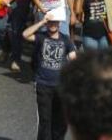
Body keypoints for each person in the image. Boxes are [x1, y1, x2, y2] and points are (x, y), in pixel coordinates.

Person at [23, 12, 77, 140]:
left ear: (59, 24)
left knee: (60, 122)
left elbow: (74, 57)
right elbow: (25, 34)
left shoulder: (65, 40)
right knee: (45, 121)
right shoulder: (41, 37)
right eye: (50, 22)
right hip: (43, 85)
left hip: (61, 87)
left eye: (55, 22)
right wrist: (42, 21)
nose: (52, 25)